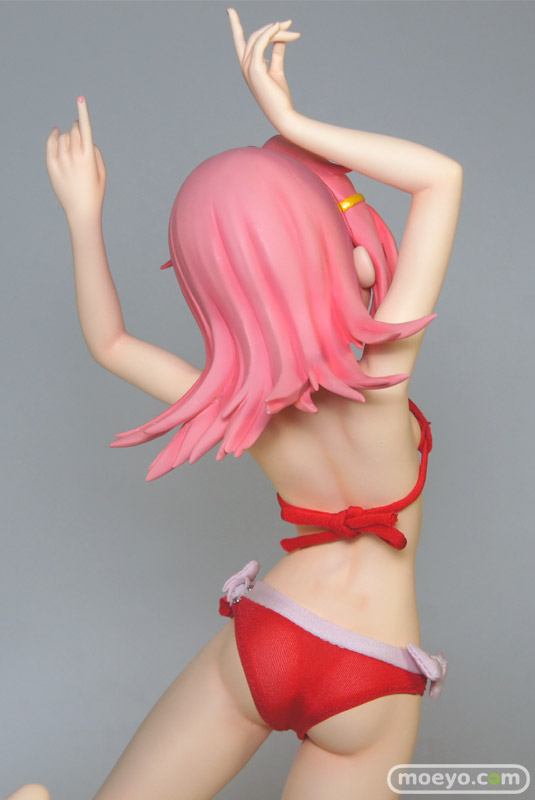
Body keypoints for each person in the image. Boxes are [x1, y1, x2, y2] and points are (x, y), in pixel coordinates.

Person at [10, 9, 462, 800]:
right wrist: (291, 120)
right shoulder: (385, 378)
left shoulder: (243, 408)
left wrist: (83, 216)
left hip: (272, 631)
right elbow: (440, 179)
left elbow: (110, 343)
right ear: (331, 253)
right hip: (371, 664)